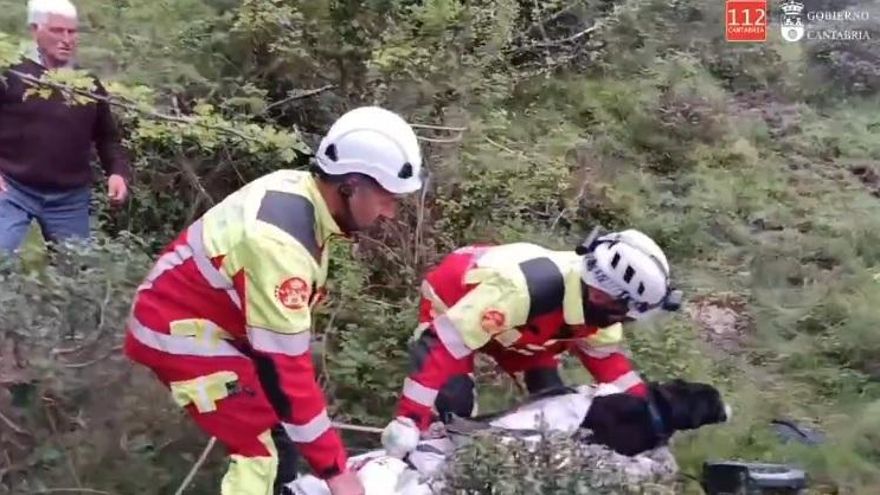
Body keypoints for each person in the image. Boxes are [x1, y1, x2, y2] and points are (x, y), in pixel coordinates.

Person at [123, 106, 424, 495]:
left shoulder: (300, 193)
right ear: (351, 185)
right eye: (386, 198)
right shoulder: (281, 244)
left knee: (280, 430)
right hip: (179, 333)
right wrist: (336, 472)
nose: (390, 212)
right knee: (260, 447)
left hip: (207, 321)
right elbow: (285, 369)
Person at [380, 228, 683, 457]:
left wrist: (651, 422)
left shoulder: (596, 312)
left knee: (553, 402)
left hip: (525, 331)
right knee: (453, 408)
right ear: (602, 296)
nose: (624, 322)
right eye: (625, 314)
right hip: (457, 304)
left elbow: (611, 368)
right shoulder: (525, 289)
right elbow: (442, 344)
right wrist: (409, 420)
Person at [0, 0, 131, 254]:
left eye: (72, 32)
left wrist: (117, 172)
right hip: (13, 187)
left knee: (77, 271)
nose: (67, 39)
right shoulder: (12, 74)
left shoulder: (86, 84)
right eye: (57, 31)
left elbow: (107, 137)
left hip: (69, 197)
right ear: (35, 30)